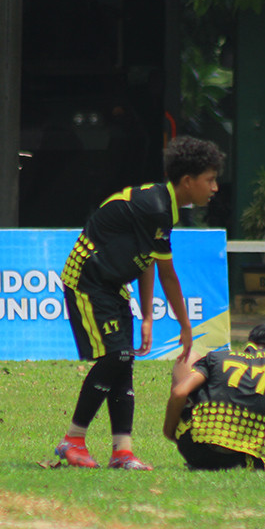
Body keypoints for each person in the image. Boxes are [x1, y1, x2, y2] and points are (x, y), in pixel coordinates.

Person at [52, 135, 225, 470]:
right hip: (86, 281)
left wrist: (147, 315)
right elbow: (168, 275)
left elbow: (146, 259)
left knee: (123, 362)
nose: (215, 187)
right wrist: (186, 326)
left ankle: (122, 451)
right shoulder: (157, 208)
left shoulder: (162, 207)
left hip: (111, 284)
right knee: (115, 356)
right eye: (210, 180)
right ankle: (72, 440)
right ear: (188, 182)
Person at [162, 322, 265, 472]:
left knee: (189, 358)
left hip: (192, 446)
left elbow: (179, 392)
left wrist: (170, 432)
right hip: (237, 459)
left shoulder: (218, 356)